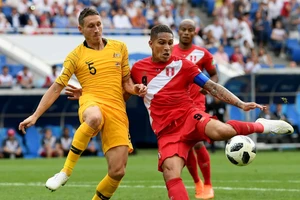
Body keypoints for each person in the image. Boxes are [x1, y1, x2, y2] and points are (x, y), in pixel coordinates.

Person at [66, 24, 294, 200]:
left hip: (189, 117)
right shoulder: (138, 69)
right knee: (170, 172)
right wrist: (88, 93)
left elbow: (212, 86)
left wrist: (241, 104)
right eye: (162, 43)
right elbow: (119, 90)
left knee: (221, 131)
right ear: (151, 44)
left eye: (169, 43)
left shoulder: (183, 65)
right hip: (166, 132)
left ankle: (263, 125)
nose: (166, 47)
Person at [18, 7, 147, 200]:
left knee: (117, 171)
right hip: (91, 100)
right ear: (81, 29)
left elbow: (126, 82)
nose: (96, 29)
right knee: (94, 118)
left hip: (117, 108)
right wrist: (35, 115)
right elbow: (56, 87)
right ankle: (65, 172)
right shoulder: (75, 56)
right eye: (91, 26)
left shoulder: (119, 47)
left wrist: (135, 89)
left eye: (98, 24)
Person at [172, 19, 218, 199]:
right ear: (179, 31)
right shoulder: (171, 51)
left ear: (194, 32)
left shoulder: (202, 53)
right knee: (187, 145)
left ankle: (208, 184)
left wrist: (208, 87)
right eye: (183, 29)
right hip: (177, 105)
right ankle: (197, 182)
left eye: (190, 30)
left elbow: (213, 74)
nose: (186, 33)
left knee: (197, 142)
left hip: (197, 103)